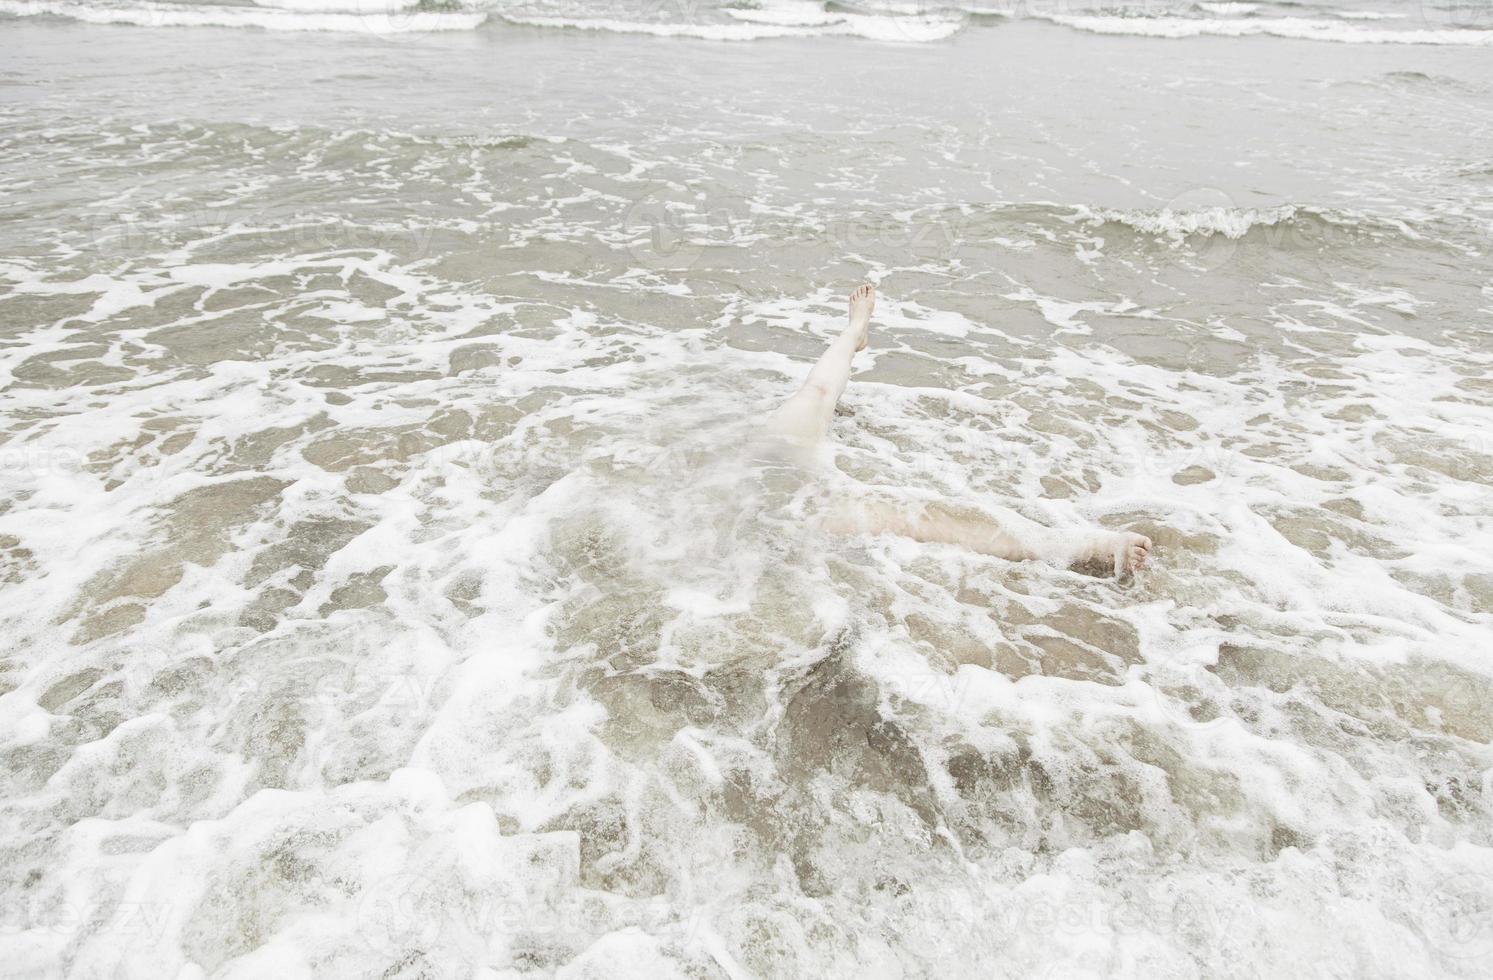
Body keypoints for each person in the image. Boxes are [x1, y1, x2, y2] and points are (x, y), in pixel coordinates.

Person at [764, 284, 1152, 577]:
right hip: (750, 497)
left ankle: (854, 332)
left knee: (816, 393)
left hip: (764, 463)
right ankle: (1077, 546)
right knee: (923, 519)